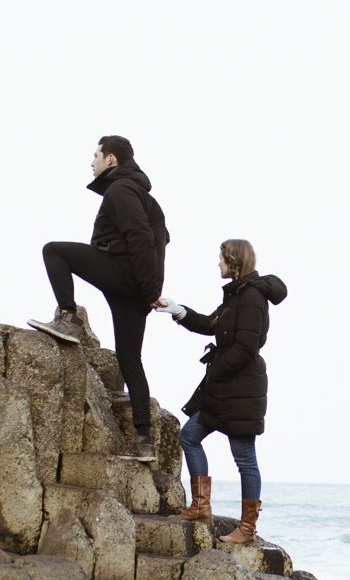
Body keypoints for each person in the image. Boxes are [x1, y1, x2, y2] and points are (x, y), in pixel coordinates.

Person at [29, 135, 168, 462]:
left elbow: (141, 237)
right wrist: (149, 291)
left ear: (111, 159)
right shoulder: (139, 194)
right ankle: (144, 441)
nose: (91, 162)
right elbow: (157, 241)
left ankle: (68, 317)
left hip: (125, 276)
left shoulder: (122, 190)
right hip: (137, 290)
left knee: (54, 251)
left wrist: (150, 289)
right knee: (130, 359)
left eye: (95, 155)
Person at [157, 239, 287, 544]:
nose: (218, 264)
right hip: (224, 389)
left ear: (234, 262)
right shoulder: (236, 294)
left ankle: (247, 529)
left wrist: (216, 370)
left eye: (222, 259)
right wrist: (176, 309)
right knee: (189, 436)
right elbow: (209, 324)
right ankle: (200, 508)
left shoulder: (252, 297)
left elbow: (246, 348)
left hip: (242, 390)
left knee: (244, 458)